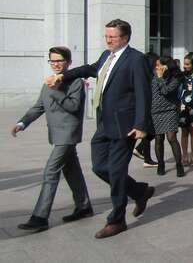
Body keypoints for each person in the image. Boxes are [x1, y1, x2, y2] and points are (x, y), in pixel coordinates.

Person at [48, 19, 155, 239]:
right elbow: (90, 69)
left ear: (125, 38)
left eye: (112, 37)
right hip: (104, 123)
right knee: (99, 167)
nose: (108, 40)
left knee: (116, 171)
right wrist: (63, 76)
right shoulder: (107, 55)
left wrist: (141, 125)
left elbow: (144, 93)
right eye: (106, 36)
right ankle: (138, 191)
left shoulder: (136, 59)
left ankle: (117, 220)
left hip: (125, 125)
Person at [12, 46, 93, 233]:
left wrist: (56, 90)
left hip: (68, 134)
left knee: (50, 171)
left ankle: (40, 217)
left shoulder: (76, 82)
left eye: (59, 60)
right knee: (72, 171)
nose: (55, 64)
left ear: (68, 62)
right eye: (52, 61)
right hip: (56, 134)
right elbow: (38, 107)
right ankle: (84, 206)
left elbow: (73, 107)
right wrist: (22, 123)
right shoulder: (48, 82)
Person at [151, 57, 185, 177]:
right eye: (156, 65)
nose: (157, 67)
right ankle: (161, 164)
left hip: (170, 110)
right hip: (155, 111)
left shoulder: (175, 78)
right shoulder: (153, 76)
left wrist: (160, 78)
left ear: (166, 66)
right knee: (158, 138)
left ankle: (179, 165)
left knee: (171, 138)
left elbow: (165, 91)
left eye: (159, 65)